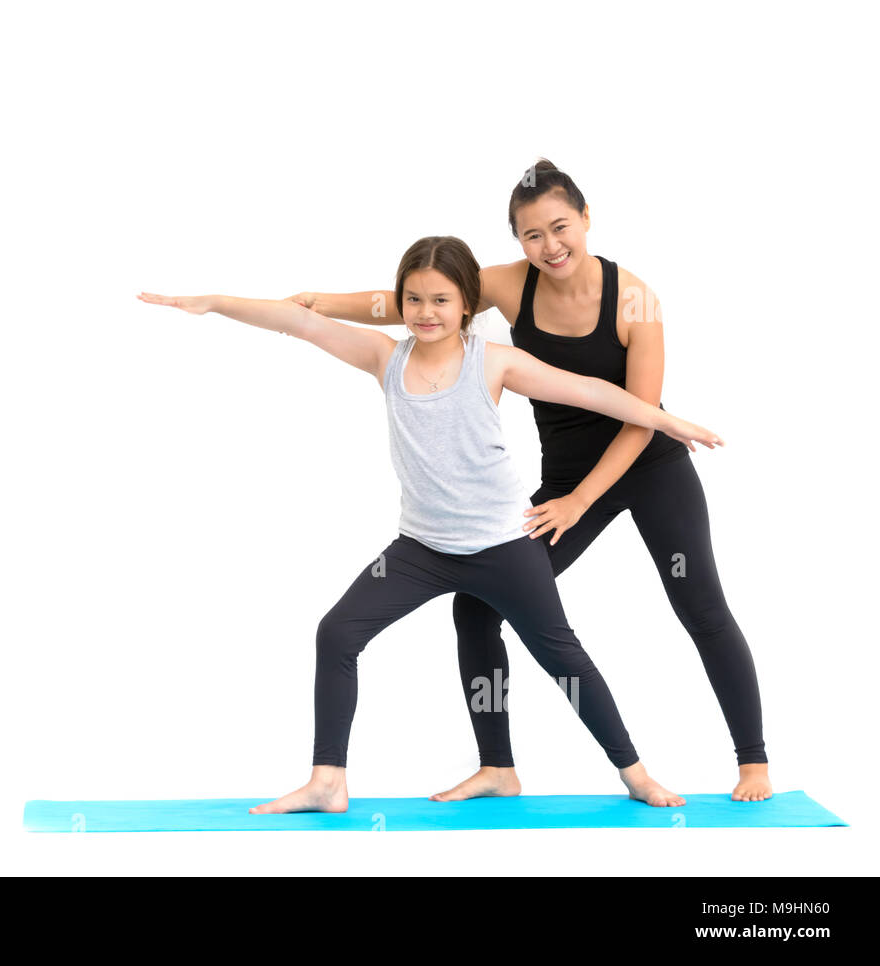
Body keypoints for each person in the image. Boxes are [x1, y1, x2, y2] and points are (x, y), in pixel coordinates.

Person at [138, 234, 721, 814]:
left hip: (502, 546)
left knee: (563, 660)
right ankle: (327, 780)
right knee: (337, 633)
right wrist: (214, 303)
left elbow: (591, 391)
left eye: (440, 300)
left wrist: (667, 422)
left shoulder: (493, 362)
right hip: (421, 548)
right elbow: (300, 322)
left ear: (467, 302)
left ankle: (637, 774)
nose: (425, 313)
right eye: (413, 300)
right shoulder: (383, 358)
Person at [293, 160, 771, 803]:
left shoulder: (635, 299)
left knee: (700, 607)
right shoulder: (511, 285)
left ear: (586, 219)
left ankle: (753, 762)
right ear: (516, 239)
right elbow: (415, 301)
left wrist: (578, 502)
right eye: (532, 235)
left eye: (560, 227)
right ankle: (498, 767)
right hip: (565, 477)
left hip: (650, 466)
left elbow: (636, 414)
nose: (551, 247)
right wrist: (318, 305)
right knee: (478, 605)